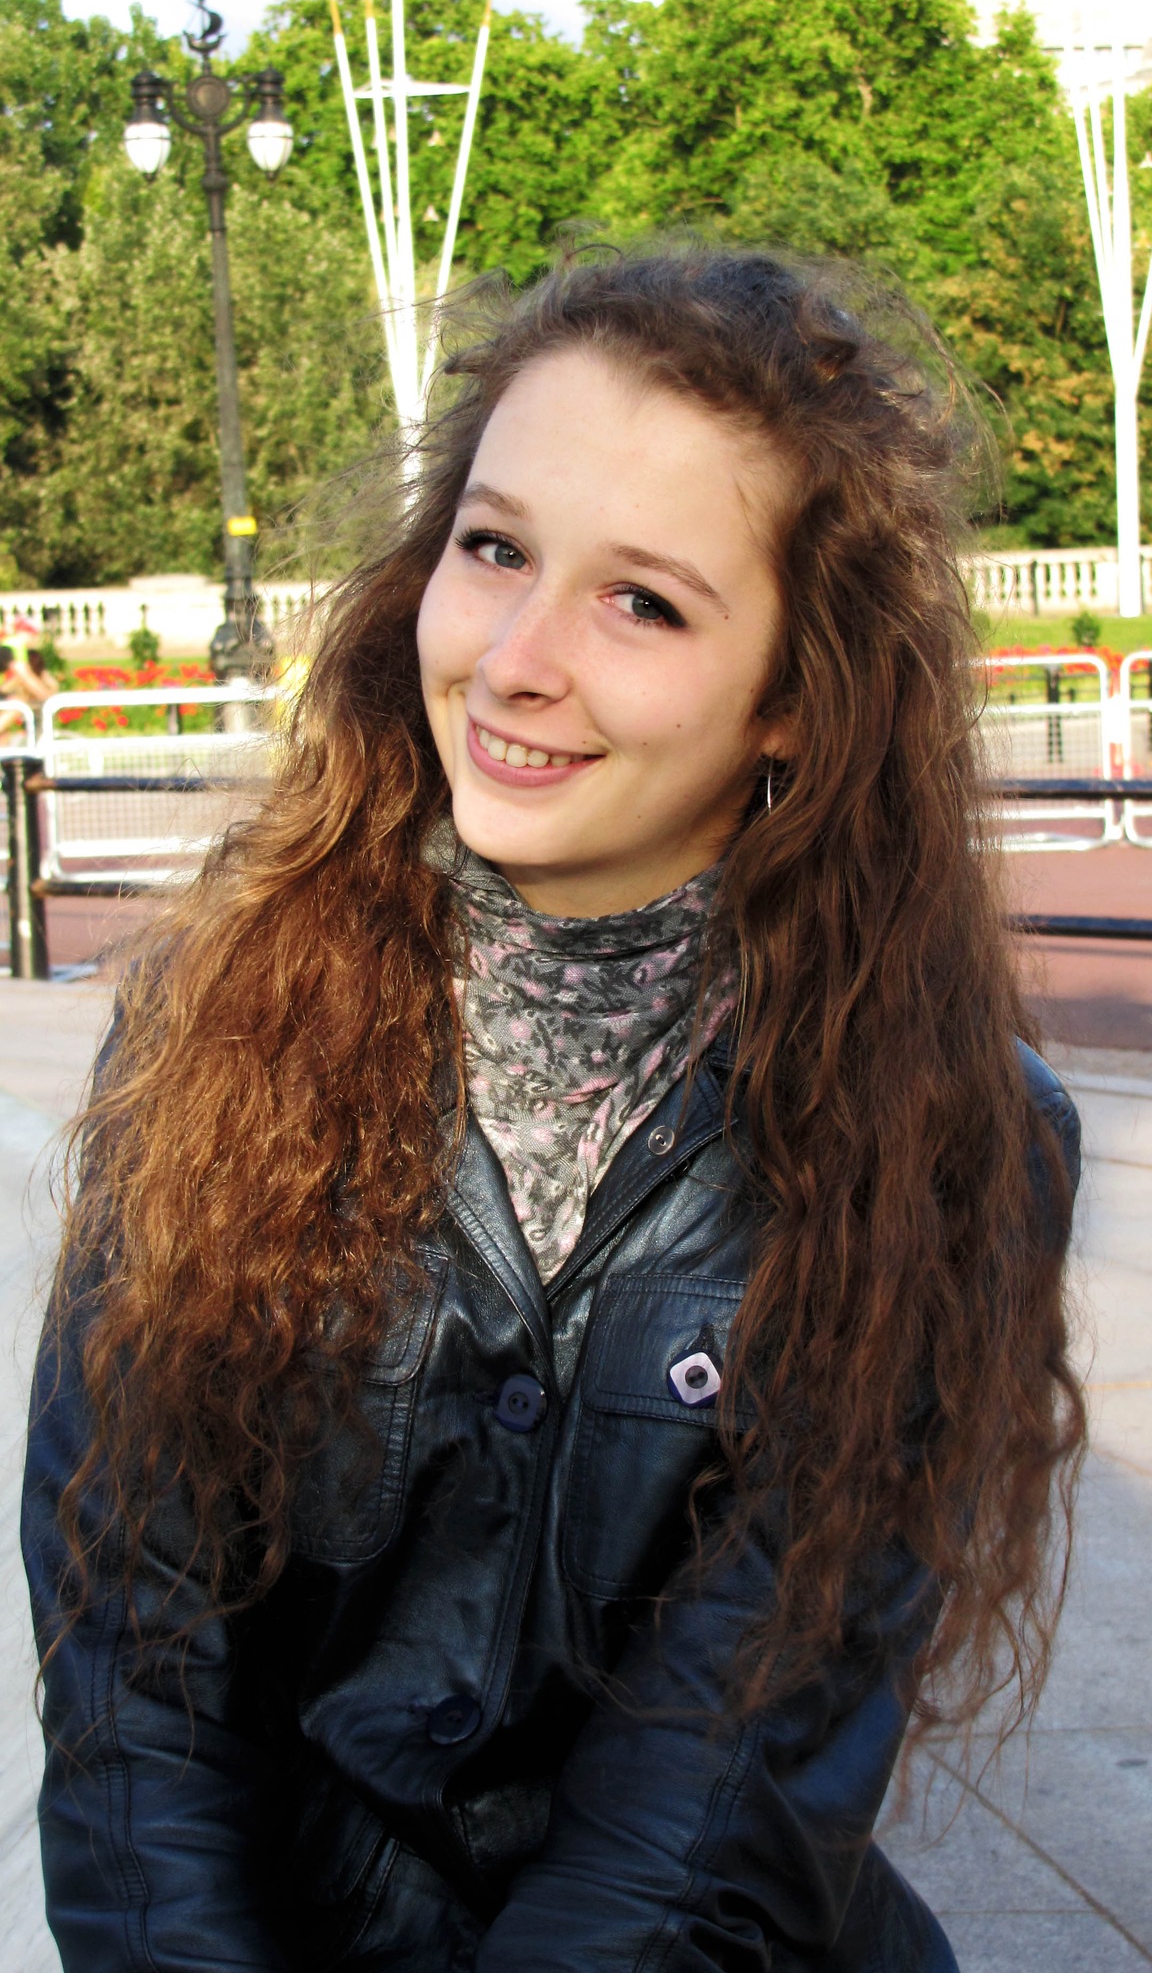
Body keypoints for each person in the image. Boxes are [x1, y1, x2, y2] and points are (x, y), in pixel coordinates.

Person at [23, 250, 1084, 1973]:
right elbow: (132, 1674)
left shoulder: (945, 1138)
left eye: (642, 603)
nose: (515, 660)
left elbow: (717, 1800)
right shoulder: (216, 1025)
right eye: (496, 549)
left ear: (795, 700)